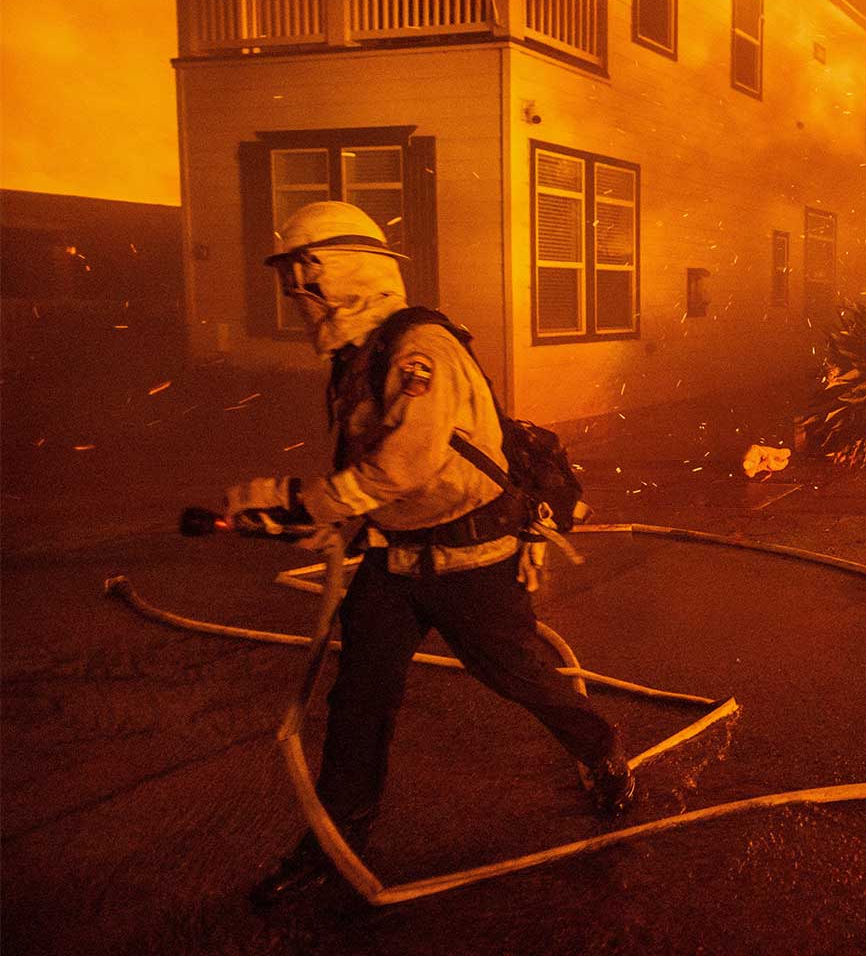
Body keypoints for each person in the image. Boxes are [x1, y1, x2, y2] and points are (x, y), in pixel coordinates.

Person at [228, 201, 635, 907]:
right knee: (359, 701)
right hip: (393, 560)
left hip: (471, 561)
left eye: (306, 275)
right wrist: (336, 524)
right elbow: (367, 462)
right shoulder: (357, 356)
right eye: (291, 278)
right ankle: (337, 840)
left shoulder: (422, 350)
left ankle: (600, 749)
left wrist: (299, 500)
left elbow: (403, 466)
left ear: (345, 270)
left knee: (518, 675)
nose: (296, 292)